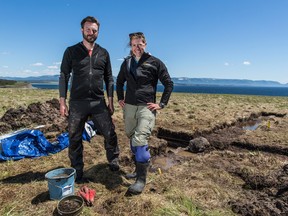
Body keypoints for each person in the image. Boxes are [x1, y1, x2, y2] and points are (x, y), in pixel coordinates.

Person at [59, 16, 120, 183]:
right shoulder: (71, 51)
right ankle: (77, 171)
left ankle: (113, 161)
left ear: (98, 32)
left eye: (94, 30)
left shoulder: (104, 53)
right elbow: (64, 76)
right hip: (77, 103)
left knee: (110, 133)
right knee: (74, 137)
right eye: (88, 30)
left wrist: (110, 101)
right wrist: (62, 102)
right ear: (82, 30)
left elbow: (109, 78)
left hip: (98, 102)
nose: (91, 33)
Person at [116, 32, 173, 195]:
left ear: (145, 44)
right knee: (131, 135)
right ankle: (137, 169)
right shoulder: (126, 63)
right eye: (134, 45)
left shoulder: (155, 62)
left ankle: (141, 180)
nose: (137, 48)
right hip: (129, 107)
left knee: (140, 138)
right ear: (131, 46)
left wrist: (161, 104)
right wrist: (120, 98)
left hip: (147, 108)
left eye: (140, 44)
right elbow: (119, 82)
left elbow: (169, 84)